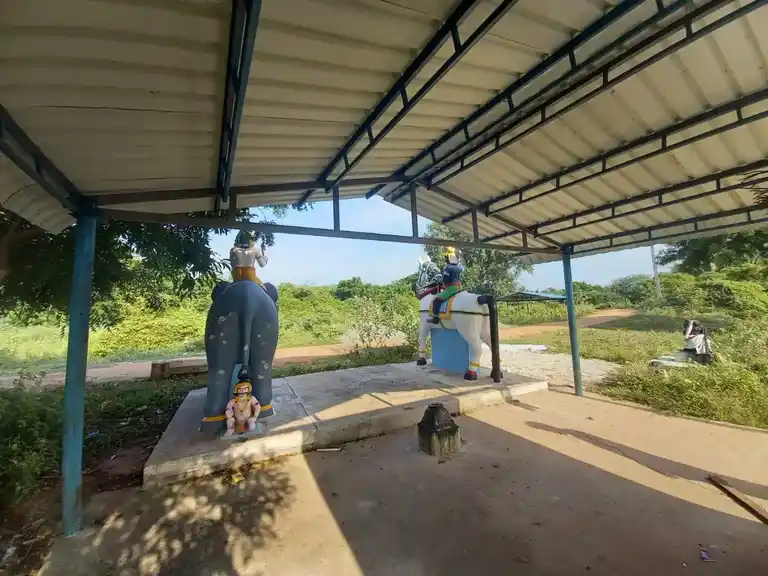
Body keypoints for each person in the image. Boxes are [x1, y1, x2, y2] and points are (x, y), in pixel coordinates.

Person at [428, 247, 464, 324]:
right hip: (459, 287)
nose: (445, 259)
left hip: (451, 288)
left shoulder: (448, 268)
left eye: (446, 257)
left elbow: (445, 279)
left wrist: (440, 282)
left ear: (449, 258)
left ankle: (435, 318)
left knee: (436, 300)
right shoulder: (459, 267)